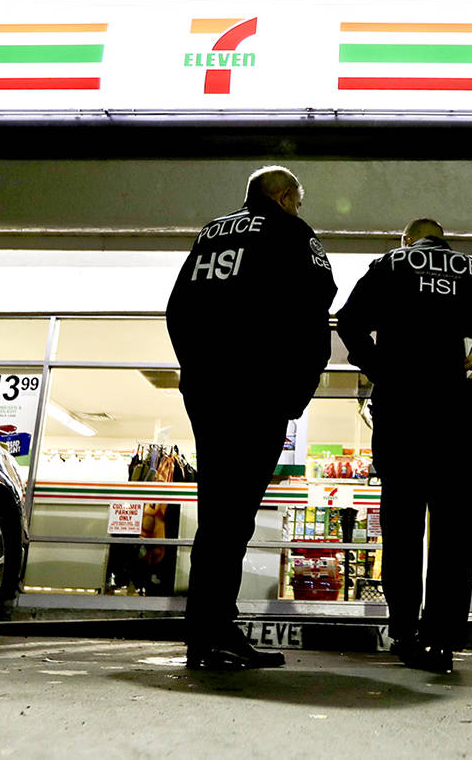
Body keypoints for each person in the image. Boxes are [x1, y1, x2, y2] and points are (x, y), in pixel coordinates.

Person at [336, 218, 472, 674]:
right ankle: (441, 640)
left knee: (403, 526)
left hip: (403, 412)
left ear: (407, 240)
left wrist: (378, 367)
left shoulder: (390, 264)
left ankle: (405, 633)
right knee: (455, 530)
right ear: (445, 240)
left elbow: (347, 322)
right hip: (460, 415)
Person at [166, 165, 337, 669]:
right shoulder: (291, 232)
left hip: (208, 391)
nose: (300, 210)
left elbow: (177, 309)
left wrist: (196, 369)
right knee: (232, 518)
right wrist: (296, 394)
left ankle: (212, 630)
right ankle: (211, 637)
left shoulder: (211, 234)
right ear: (284, 198)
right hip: (259, 392)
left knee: (219, 513)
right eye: (298, 202)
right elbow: (315, 309)